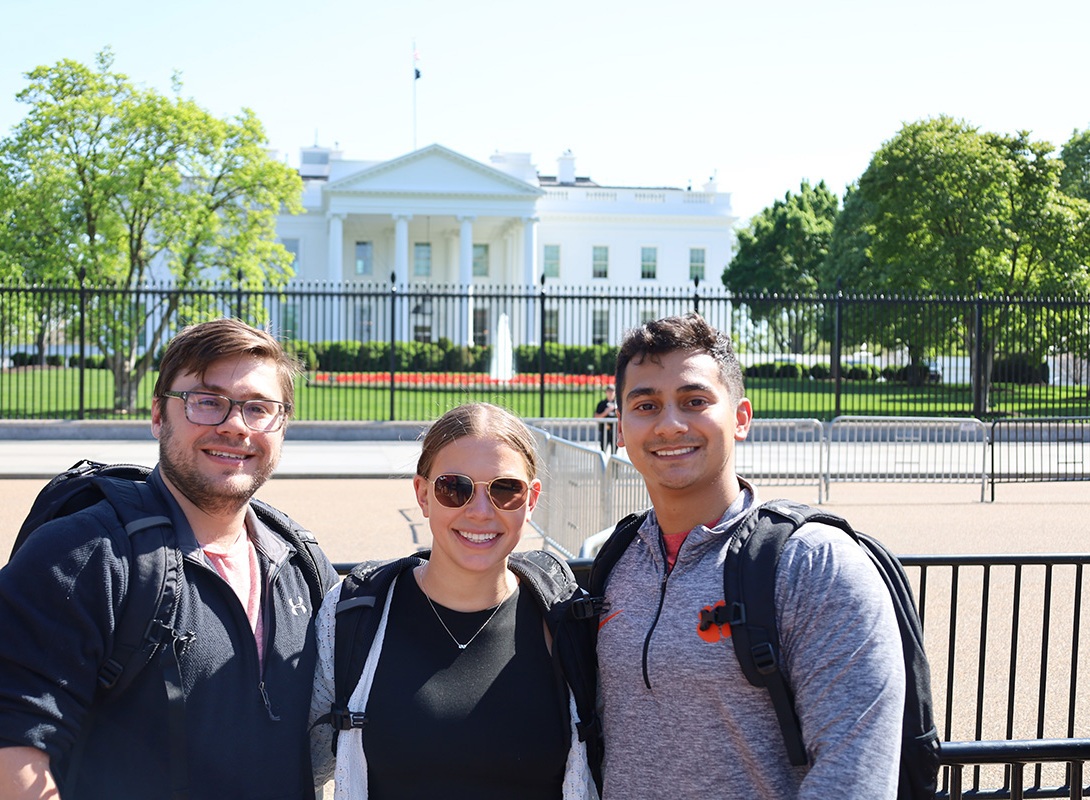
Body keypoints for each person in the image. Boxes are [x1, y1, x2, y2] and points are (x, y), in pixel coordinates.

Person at [0, 318, 339, 800]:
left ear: (282, 426)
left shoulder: (301, 563)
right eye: (207, 401)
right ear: (159, 415)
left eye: (259, 408)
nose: (235, 425)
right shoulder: (82, 555)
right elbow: (2, 761)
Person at [593, 314, 905, 798]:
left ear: (740, 418)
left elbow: (853, 777)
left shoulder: (812, 564)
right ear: (621, 428)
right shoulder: (616, 561)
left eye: (694, 401)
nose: (670, 424)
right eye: (646, 405)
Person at [310, 402, 598, 800]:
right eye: (454, 488)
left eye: (505, 489)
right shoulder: (350, 616)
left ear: (531, 500)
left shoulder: (570, 624)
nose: (480, 512)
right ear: (423, 494)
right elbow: (300, 769)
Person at [592, 383, 617, 451]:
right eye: (609, 391)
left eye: (612, 391)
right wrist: (606, 412)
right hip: (604, 429)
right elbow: (596, 417)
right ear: (606, 392)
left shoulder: (618, 404)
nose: (610, 393)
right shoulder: (602, 404)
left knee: (615, 450)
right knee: (603, 449)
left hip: (615, 430)